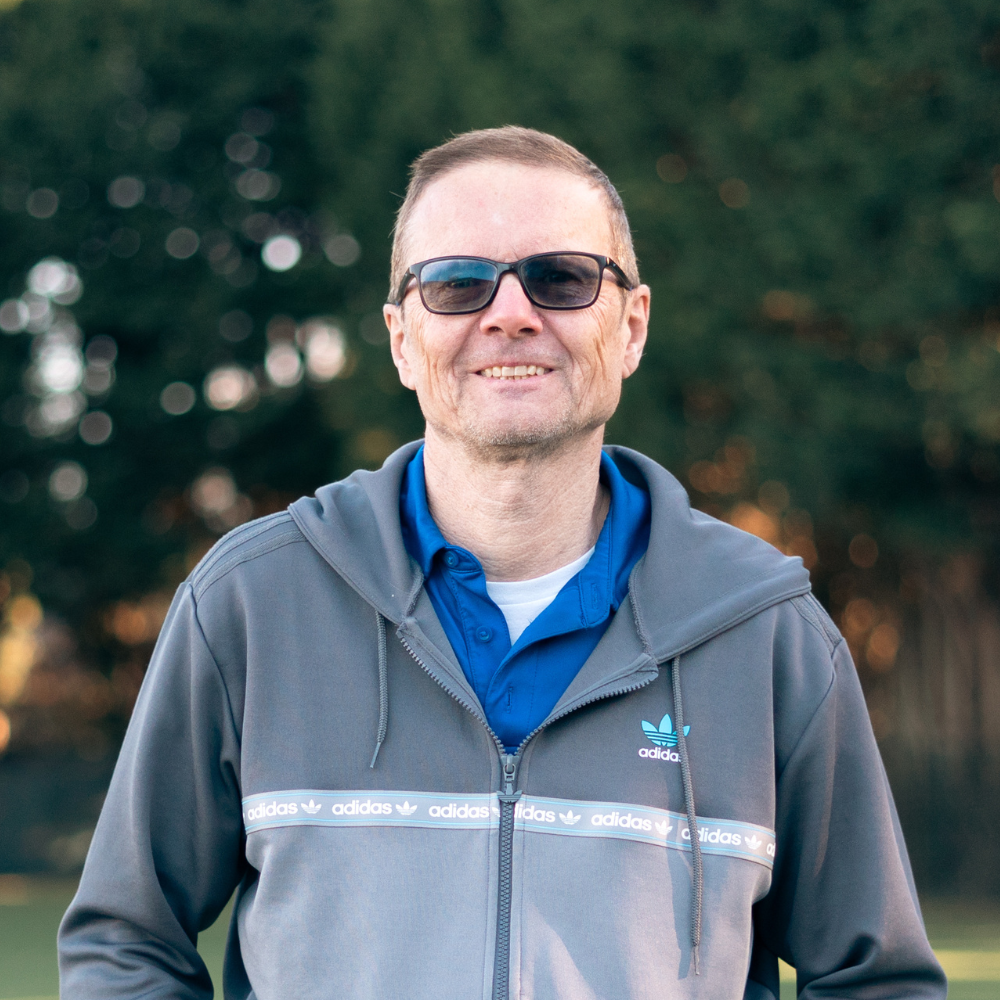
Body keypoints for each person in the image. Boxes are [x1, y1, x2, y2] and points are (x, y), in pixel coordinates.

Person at [59, 126, 946, 1000]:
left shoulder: (769, 635)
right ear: (402, 338)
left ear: (631, 327)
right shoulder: (249, 606)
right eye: (456, 284)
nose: (511, 313)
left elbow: (878, 981)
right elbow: (125, 943)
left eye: (562, 279)